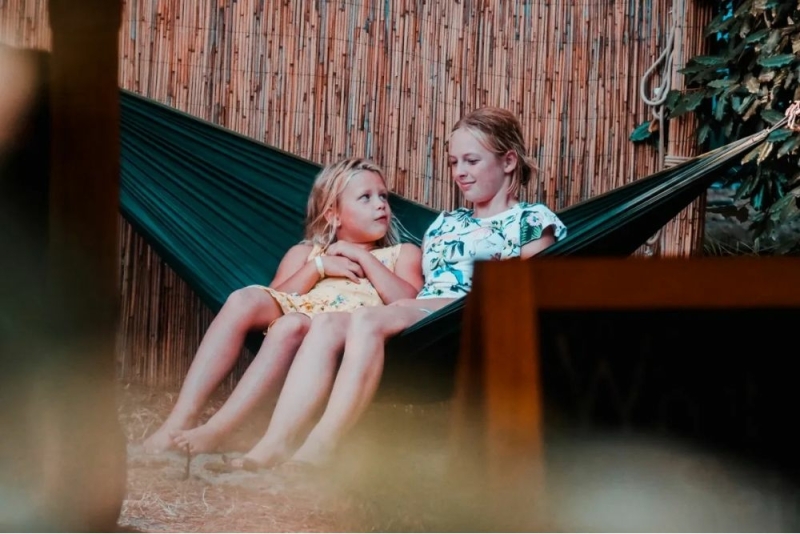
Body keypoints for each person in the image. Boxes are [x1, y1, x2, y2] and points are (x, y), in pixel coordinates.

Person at [229, 107, 567, 470]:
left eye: (471, 160)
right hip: (426, 318)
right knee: (329, 324)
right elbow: (414, 284)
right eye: (454, 162)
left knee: (369, 320)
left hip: (470, 312)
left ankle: (321, 445)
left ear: (509, 161)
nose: (460, 173)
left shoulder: (532, 220)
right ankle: (274, 443)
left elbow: (535, 289)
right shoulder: (446, 222)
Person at [142, 157, 424, 453]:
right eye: (365, 198)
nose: (380, 204)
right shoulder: (305, 253)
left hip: (338, 330)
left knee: (293, 325)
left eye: (383, 197)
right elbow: (278, 296)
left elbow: (407, 302)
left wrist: (363, 258)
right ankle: (180, 418)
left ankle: (217, 429)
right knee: (245, 300)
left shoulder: (402, 253)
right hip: (295, 316)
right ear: (333, 215)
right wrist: (318, 266)